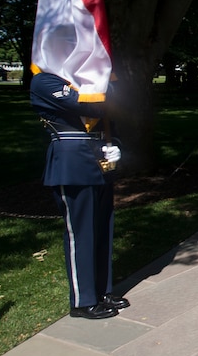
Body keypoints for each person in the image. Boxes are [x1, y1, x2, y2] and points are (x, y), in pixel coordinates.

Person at [30, 71, 127, 319]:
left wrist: (113, 140)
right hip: (72, 161)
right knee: (81, 232)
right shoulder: (45, 80)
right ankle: (83, 300)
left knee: (103, 227)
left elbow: (112, 110)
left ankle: (102, 291)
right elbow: (87, 105)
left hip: (99, 156)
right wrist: (105, 89)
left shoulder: (87, 76)